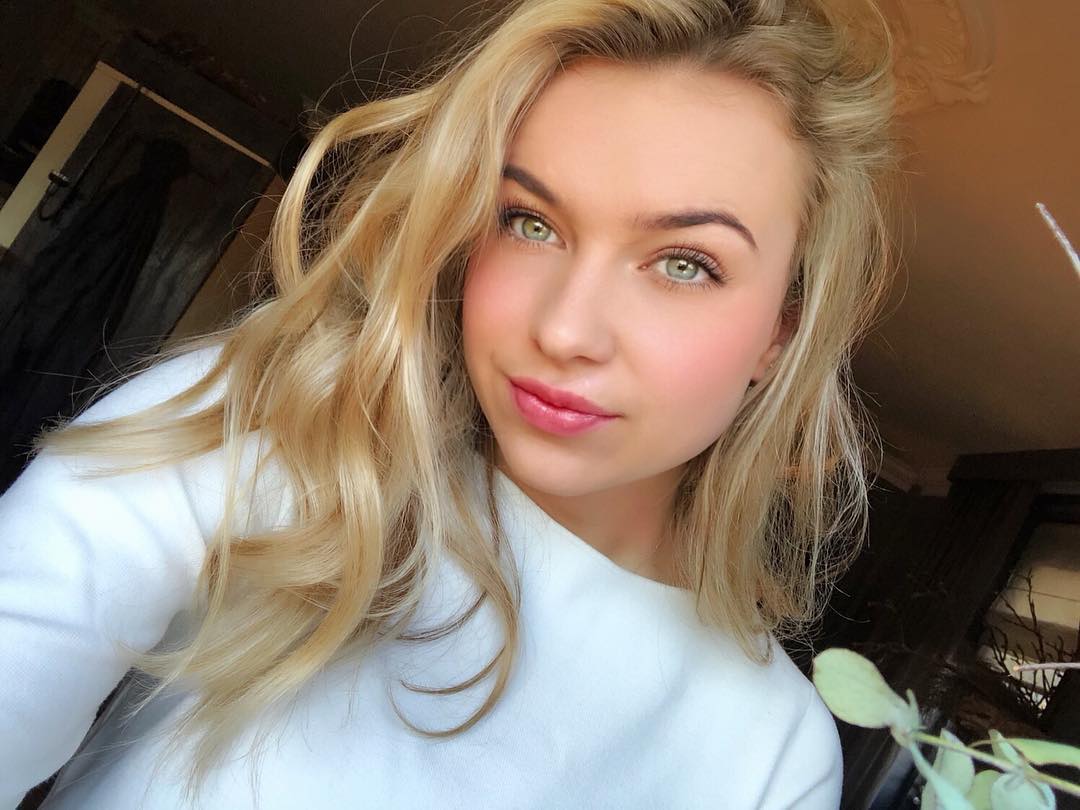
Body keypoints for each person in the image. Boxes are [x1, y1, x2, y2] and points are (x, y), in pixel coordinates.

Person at [0, 0, 896, 807]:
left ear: (779, 332)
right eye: (529, 222)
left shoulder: (769, 755)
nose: (565, 329)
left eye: (684, 264)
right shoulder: (270, 431)